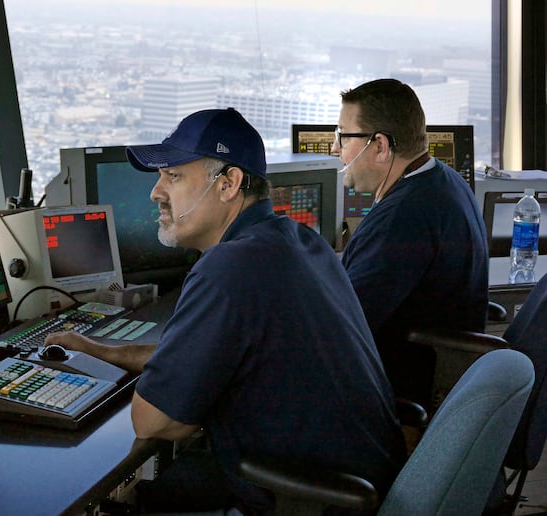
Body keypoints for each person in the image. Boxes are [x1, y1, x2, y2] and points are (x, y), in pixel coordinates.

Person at [45, 107, 406, 514]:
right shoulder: (298, 241)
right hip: (366, 481)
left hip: (315, 498)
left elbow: (153, 420)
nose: (156, 192)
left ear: (228, 184)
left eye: (174, 176)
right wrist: (105, 352)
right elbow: (206, 353)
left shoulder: (228, 268)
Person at [335, 78, 489, 411]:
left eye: (343, 136)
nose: (337, 149)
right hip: (430, 373)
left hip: (398, 393)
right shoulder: (442, 181)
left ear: (379, 146)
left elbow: (342, 326)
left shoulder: (402, 219)